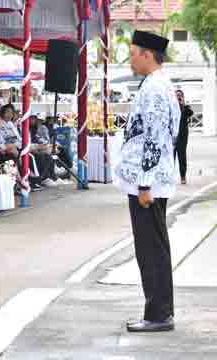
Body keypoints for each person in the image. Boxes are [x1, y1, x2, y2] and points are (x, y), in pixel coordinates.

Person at [117, 31, 180, 333]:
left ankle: (157, 315)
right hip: (156, 178)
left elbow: (155, 138)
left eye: (132, 53)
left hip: (149, 183)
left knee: (150, 249)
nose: (130, 59)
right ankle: (160, 311)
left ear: (146, 54)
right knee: (156, 247)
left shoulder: (154, 88)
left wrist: (144, 184)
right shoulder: (162, 85)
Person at [174, 89, 193, 185]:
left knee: (182, 157)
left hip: (182, 137)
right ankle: (169, 177)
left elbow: (190, 113)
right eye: (176, 95)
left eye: (180, 95)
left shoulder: (185, 108)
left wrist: (183, 104)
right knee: (170, 158)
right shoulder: (171, 107)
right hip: (172, 137)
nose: (178, 97)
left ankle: (183, 176)